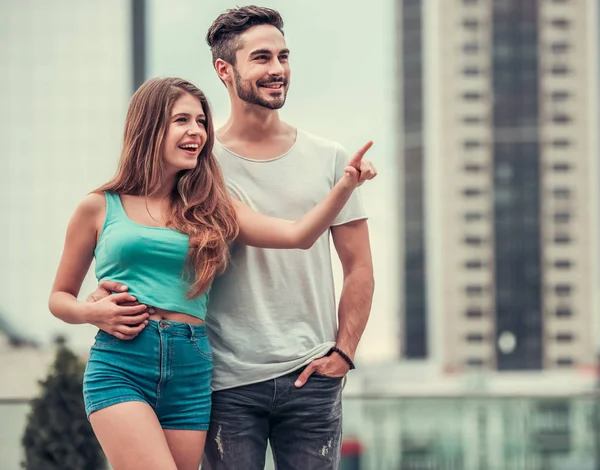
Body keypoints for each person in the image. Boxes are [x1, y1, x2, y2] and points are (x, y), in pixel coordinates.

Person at [49, 76, 375, 470]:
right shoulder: (99, 206)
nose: (197, 132)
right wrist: (93, 313)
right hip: (123, 361)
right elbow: (60, 297)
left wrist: (345, 186)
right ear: (149, 126)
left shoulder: (211, 207)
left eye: (201, 121)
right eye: (181, 120)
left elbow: (298, 235)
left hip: (192, 366)